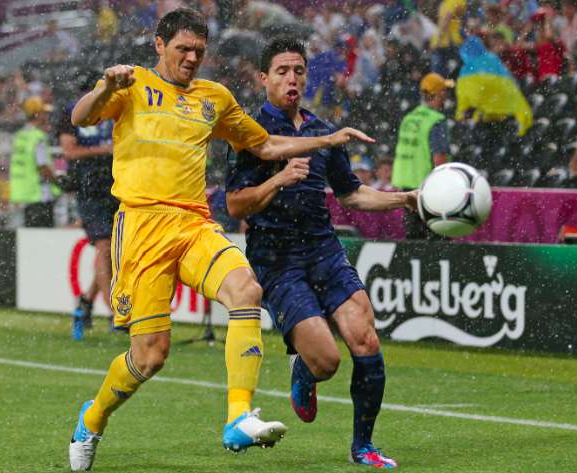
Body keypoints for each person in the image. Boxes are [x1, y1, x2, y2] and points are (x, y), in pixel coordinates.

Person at [66, 8, 375, 471]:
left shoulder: (215, 98)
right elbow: (80, 116)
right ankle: (92, 418)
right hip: (143, 227)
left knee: (246, 288)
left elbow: (266, 145)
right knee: (149, 357)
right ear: (158, 44)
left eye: (198, 51)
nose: (191, 58)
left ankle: (237, 417)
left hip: (193, 224)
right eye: (181, 49)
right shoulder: (131, 86)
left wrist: (326, 141)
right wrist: (106, 85)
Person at [226, 37, 418, 469]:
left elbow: (351, 195)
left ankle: (363, 447)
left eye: (298, 70)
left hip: (323, 249)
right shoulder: (247, 132)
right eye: (281, 71)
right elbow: (235, 205)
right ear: (263, 78)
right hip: (276, 259)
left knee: (366, 339)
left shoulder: (321, 131)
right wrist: (277, 181)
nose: (291, 79)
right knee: (327, 361)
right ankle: (305, 370)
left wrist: (403, 198)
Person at [56, 78, 118, 336]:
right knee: (105, 247)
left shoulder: (114, 110)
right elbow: (69, 152)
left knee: (115, 252)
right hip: (88, 189)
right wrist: (104, 150)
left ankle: (84, 303)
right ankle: (116, 314)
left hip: (117, 187)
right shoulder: (71, 114)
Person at [392, 72, 452, 240]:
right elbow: (439, 159)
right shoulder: (436, 120)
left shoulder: (409, 118)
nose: (446, 95)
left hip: (407, 188)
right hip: (429, 189)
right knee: (439, 242)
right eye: (444, 91)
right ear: (438, 93)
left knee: (414, 241)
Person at [10, 96, 58, 228]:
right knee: (44, 240)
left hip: (24, 196)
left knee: (31, 238)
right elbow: (43, 166)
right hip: (40, 196)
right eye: (44, 113)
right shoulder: (37, 137)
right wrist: (59, 183)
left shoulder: (19, 136)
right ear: (38, 114)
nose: (47, 116)